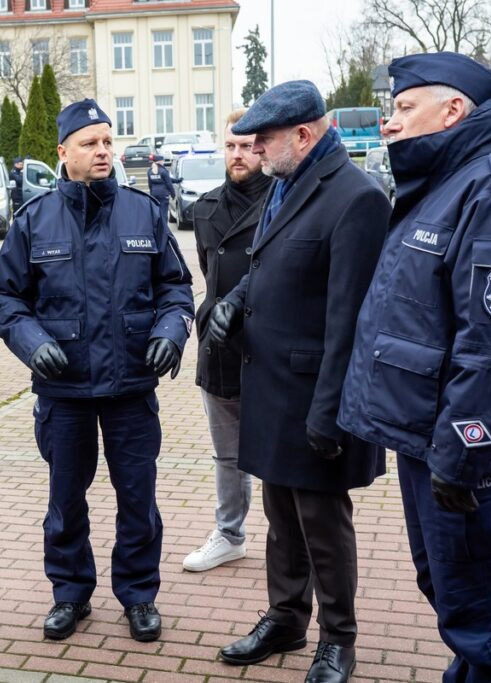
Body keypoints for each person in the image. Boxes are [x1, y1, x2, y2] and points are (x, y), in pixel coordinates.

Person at [338, 52, 491, 682]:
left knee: (480, 613)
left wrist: (463, 451)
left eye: (405, 107)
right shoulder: (443, 186)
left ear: (452, 110)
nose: (389, 121)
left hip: (460, 448)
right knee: (451, 590)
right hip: (427, 437)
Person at [0, 99, 194, 644]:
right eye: (89, 143)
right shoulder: (34, 219)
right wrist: (32, 343)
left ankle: (139, 594)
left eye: (107, 141)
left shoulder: (144, 211)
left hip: (131, 387)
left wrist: (171, 332)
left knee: (138, 497)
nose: (103, 151)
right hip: (65, 391)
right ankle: (70, 593)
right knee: (64, 500)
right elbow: (5, 297)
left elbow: (176, 286)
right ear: (63, 151)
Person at [207, 80, 391, 683]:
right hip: (273, 388)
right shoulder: (287, 183)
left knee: (322, 524)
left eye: (264, 139)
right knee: (281, 515)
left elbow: (352, 319)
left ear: (305, 135)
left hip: (317, 396)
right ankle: (287, 617)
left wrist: (330, 412)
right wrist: (235, 300)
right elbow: (270, 263)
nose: (255, 150)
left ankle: (339, 639)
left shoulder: (357, 199)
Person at [183, 108, 272, 573]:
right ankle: (230, 533)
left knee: (277, 450)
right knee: (227, 453)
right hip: (218, 345)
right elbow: (210, 274)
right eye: (231, 146)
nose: (238, 155)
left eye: (248, 146)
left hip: (269, 344)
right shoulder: (205, 208)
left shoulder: (284, 202)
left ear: (263, 148)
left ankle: (288, 538)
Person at [146, 154, 180, 226]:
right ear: (160, 161)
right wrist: (173, 194)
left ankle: (157, 227)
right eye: (163, 160)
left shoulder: (150, 171)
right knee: (163, 213)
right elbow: (169, 183)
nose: (163, 162)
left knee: (156, 212)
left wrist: (177, 180)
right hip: (163, 195)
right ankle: (164, 229)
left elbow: (150, 184)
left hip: (154, 194)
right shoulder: (164, 171)